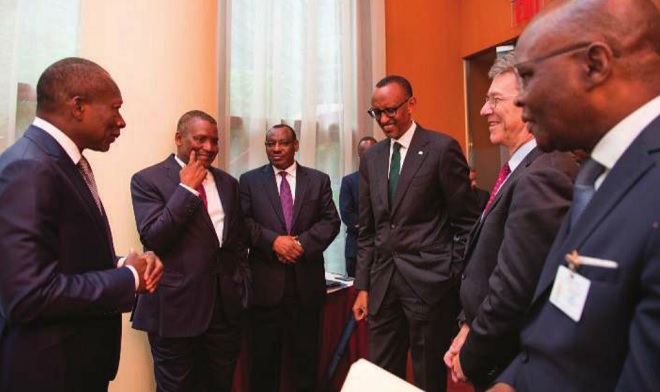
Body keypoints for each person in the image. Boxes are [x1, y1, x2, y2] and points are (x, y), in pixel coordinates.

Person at [488, 0, 660, 391]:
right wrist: (515, 380)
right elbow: (568, 320)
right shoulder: (599, 172)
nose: (519, 99)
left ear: (595, 65)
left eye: (528, 76)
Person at [0, 57, 163, 391]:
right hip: (49, 372)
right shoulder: (31, 168)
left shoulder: (62, 163)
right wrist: (127, 278)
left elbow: (61, 259)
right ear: (78, 106)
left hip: (76, 366)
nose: (122, 121)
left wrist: (122, 264)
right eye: (115, 108)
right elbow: (27, 295)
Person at [442, 52, 577, 391]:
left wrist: (473, 353)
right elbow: (487, 262)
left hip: (511, 359)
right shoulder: (520, 170)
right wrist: (467, 324)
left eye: (495, 100)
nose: (485, 110)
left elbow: (514, 287)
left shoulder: (544, 174)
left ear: (528, 104)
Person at [353, 75, 481, 392]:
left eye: (391, 110)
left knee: (427, 378)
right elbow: (368, 229)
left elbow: (466, 222)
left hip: (429, 285)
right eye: (376, 113)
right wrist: (363, 286)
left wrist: (449, 275)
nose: (383, 120)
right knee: (381, 378)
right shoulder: (372, 157)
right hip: (383, 287)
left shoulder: (440, 149)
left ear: (411, 104)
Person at [130, 110, 249, 392]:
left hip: (224, 312)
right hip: (174, 311)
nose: (209, 147)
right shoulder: (147, 180)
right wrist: (186, 188)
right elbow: (155, 237)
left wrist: (242, 286)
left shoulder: (228, 183)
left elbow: (236, 242)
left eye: (214, 140)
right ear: (179, 138)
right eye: (200, 139)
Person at [239, 124, 340, 392]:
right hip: (265, 290)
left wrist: (300, 245)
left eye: (283, 143)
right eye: (270, 144)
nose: (276, 149)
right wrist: (274, 242)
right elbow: (243, 223)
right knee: (263, 367)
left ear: (295, 145)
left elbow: (331, 221)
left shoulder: (318, 180)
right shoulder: (249, 181)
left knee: (305, 365)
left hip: (305, 289)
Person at [339, 136, 377, 277]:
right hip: (356, 249)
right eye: (366, 153)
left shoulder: (387, 180)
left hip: (383, 251)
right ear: (359, 155)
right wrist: (376, 225)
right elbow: (347, 215)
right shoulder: (349, 181)